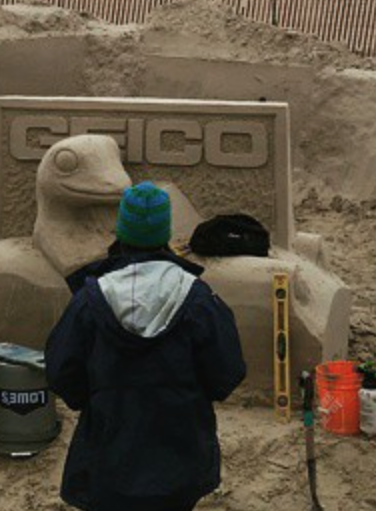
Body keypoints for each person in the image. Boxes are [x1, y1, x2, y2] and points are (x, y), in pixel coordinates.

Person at [45, 181, 246, 511]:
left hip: (107, 458)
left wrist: (95, 398)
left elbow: (61, 371)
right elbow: (227, 374)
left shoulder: (90, 300)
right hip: (181, 460)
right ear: (164, 234)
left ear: (122, 232)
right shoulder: (198, 299)